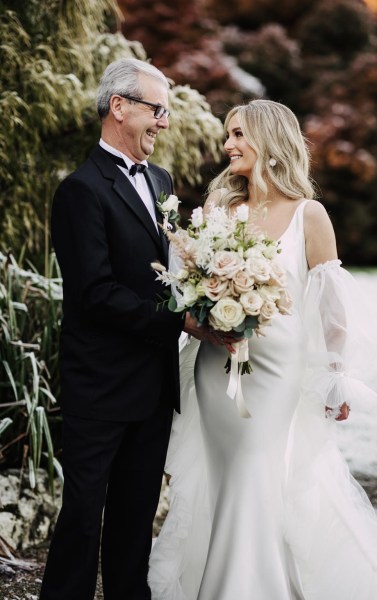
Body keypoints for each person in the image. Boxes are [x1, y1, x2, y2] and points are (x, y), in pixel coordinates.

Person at [148, 99, 377, 599]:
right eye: (228, 135)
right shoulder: (220, 208)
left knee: (254, 474)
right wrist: (208, 307)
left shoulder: (311, 216)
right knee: (229, 481)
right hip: (217, 365)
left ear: (267, 138)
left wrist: (335, 375)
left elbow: (332, 309)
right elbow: (190, 285)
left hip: (277, 376)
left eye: (238, 134)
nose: (228, 146)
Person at [39, 57, 217, 600]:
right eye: (156, 110)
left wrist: (210, 293)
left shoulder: (161, 180)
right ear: (119, 107)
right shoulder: (80, 191)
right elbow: (94, 295)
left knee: (136, 518)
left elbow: (165, 270)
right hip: (100, 383)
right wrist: (177, 321)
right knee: (83, 518)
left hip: (152, 384)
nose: (164, 123)